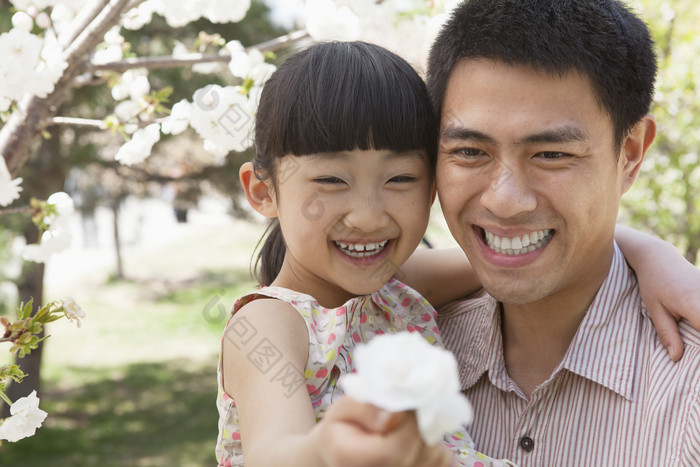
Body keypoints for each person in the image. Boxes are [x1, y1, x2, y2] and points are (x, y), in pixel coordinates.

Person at [218, 38, 700, 467]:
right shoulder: (268, 323)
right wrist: (332, 449)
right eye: (330, 181)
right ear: (263, 192)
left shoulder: (399, 288)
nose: (367, 215)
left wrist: (654, 255)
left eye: (400, 179)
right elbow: (275, 452)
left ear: (430, 186)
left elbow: (532, 253)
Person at [423, 0, 700, 465]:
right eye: (470, 151)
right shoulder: (391, 346)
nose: (504, 200)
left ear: (629, 154)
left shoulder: (687, 392)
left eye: (551, 155)